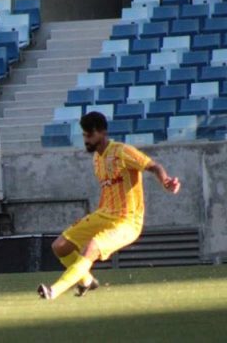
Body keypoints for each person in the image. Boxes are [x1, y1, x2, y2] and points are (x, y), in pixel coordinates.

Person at [38, 112, 181, 300]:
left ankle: (53, 291)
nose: (86, 140)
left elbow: (153, 166)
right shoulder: (97, 158)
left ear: (103, 132)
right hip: (104, 215)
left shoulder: (122, 151)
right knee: (60, 246)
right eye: (84, 135)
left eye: (90, 135)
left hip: (127, 221)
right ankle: (87, 281)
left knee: (91, 248)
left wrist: (165, 180)